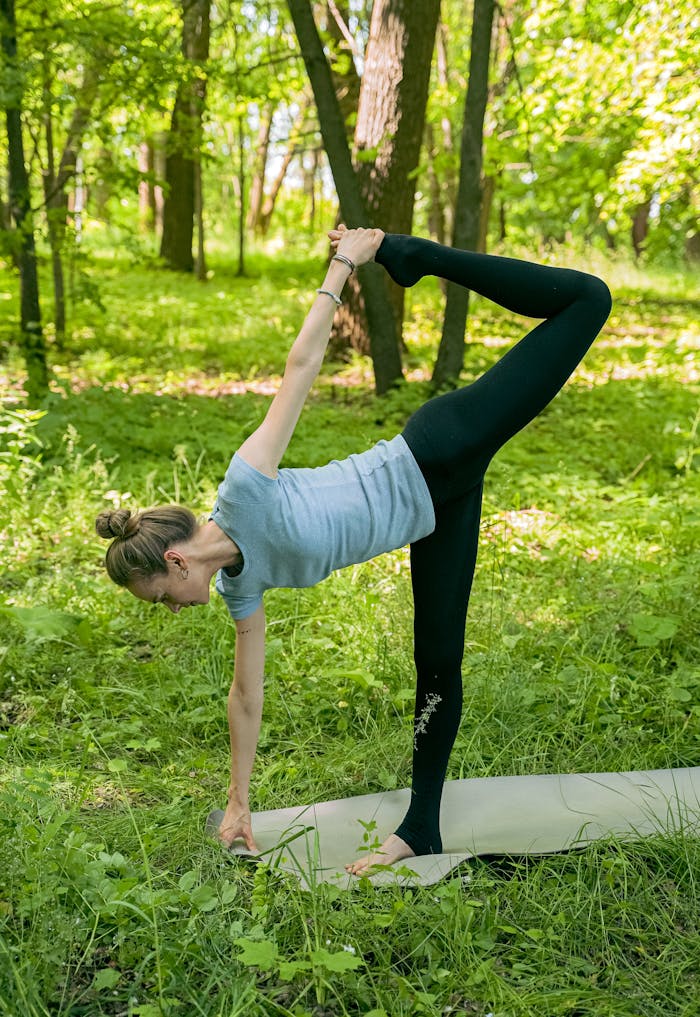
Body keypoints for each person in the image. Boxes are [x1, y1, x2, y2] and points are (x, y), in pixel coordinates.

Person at [95, 226, 612, 876]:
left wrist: (343, 265)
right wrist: (238, 801)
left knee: (589, 299)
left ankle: (421, 258)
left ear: (175, 562)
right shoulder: (238, 587)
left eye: (161, 598)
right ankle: (420, 829)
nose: (170, 609)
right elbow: (245, 694)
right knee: (439, 663)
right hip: (435, 513)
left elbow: (301, 367)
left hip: (436, 450)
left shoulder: (244, 489)